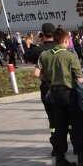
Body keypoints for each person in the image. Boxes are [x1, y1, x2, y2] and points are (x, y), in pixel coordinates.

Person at [34, 28, 83, 166]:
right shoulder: (70, 56)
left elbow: (36, 73)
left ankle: (60, 159)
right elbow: (80, 79)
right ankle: (82, 158)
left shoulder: (45, 55)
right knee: (78, 125)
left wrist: (49, 79)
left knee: (60, 126)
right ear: (65, 40)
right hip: (70, 94)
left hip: (55, 94)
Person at [24, 23, 59, 154]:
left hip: (47, 88)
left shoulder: (39, 51)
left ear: (42, 34)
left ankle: (57, 146)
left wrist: (33, 42)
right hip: (64, 87)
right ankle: (76, 144)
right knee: (68, 117)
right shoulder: (62, 48)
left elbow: (27, 56)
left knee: (52, 118)